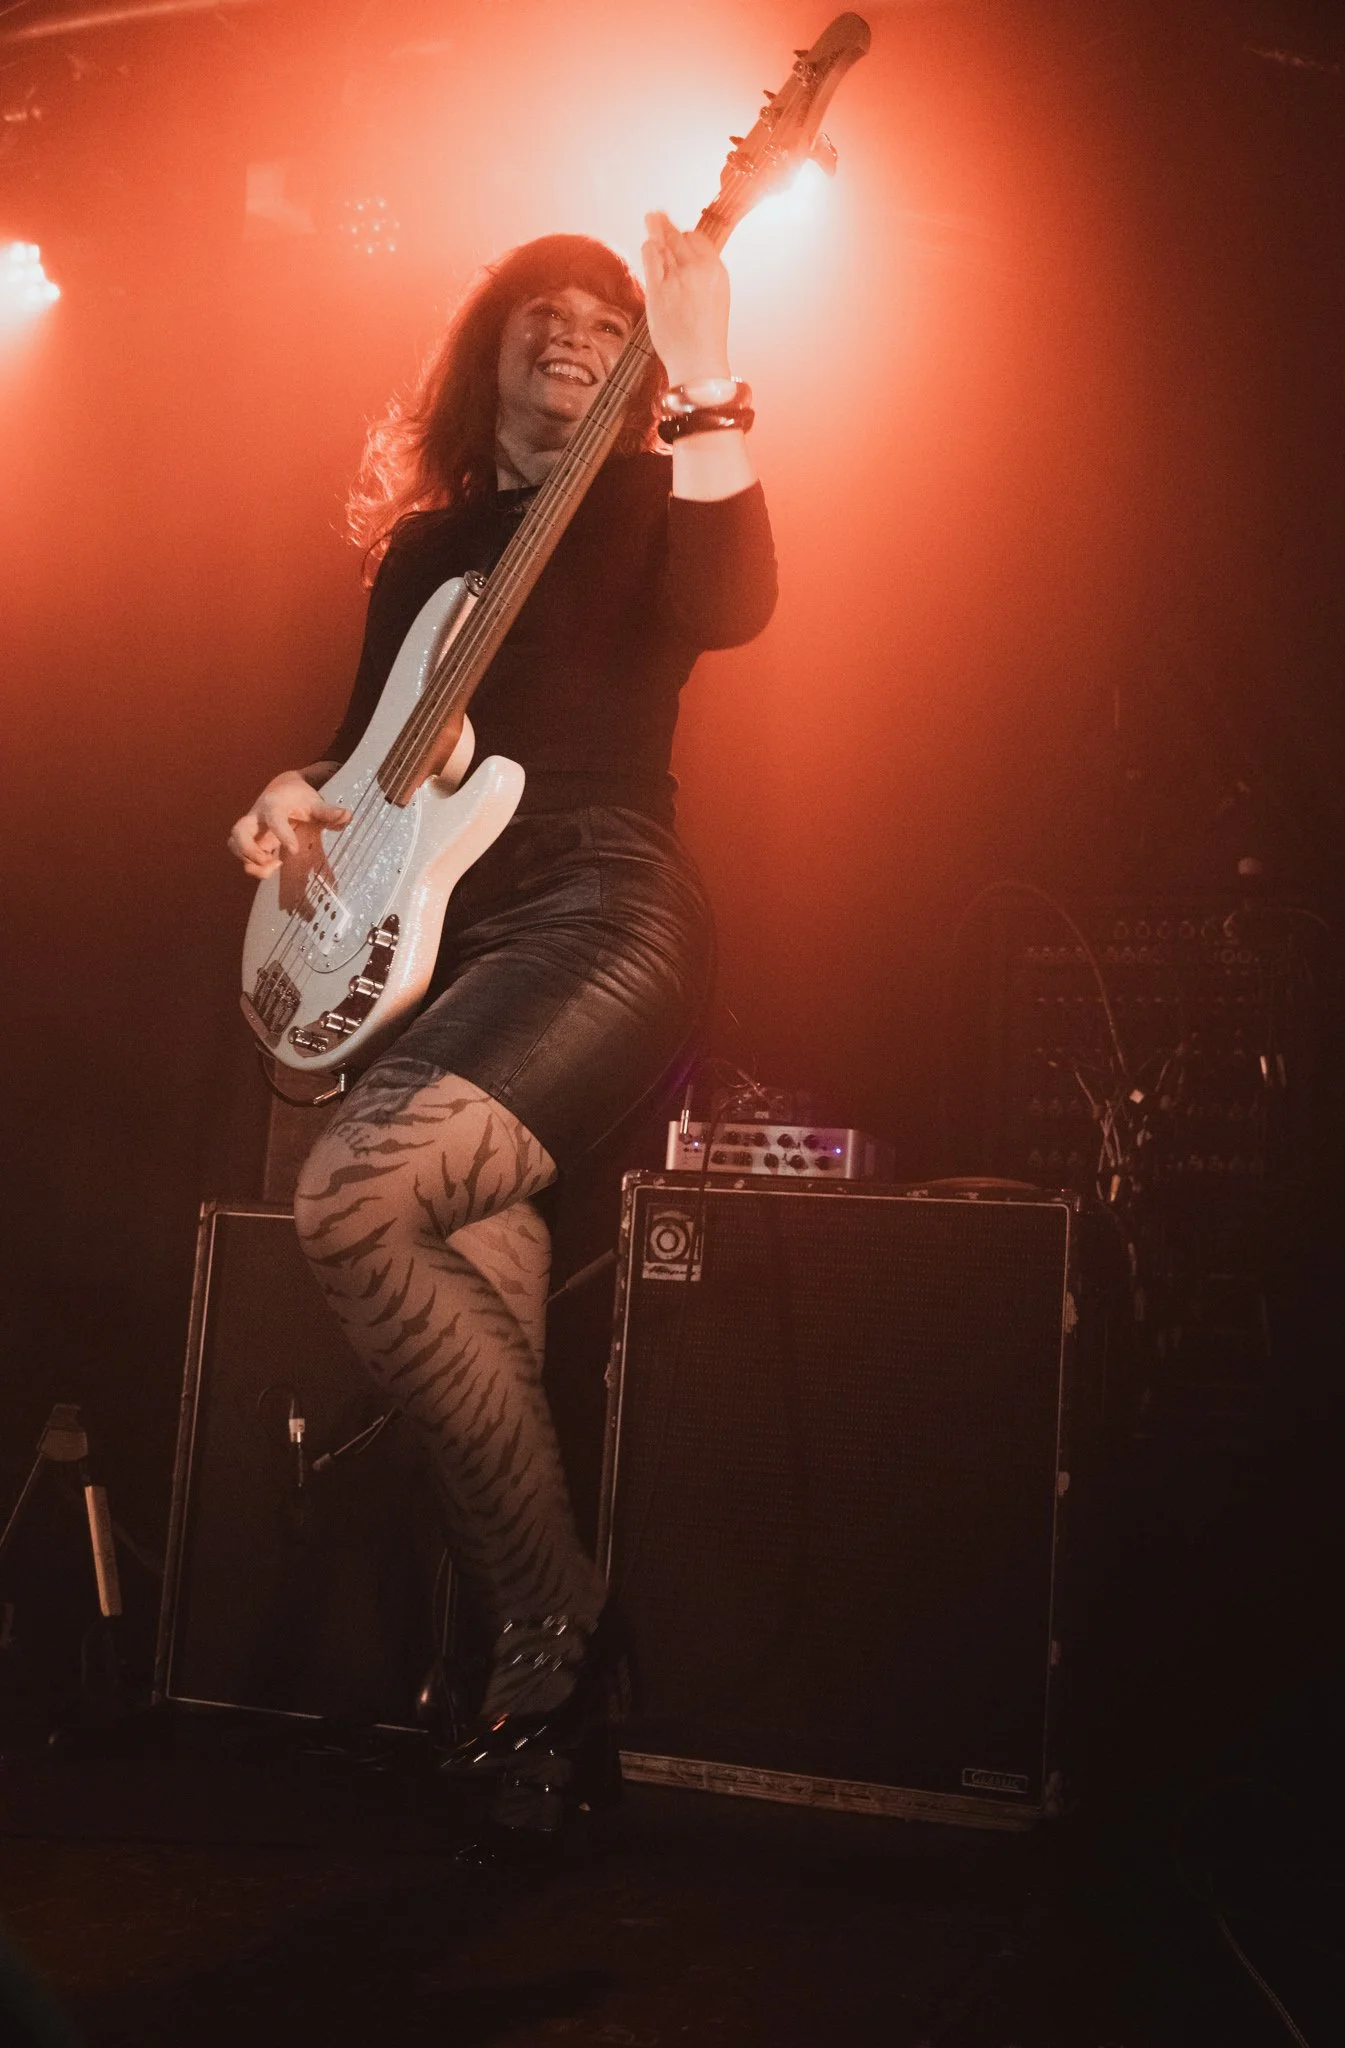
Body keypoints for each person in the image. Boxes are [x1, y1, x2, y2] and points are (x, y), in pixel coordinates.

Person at [227, 212, 777, 1822]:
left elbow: (737, 602)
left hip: (603, 904)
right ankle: (540, 1717)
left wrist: (713, 377)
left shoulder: (650, 496)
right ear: (490, 351)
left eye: (607, 315)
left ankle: (561, 1625)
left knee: (353, 1198)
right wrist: (288, 798)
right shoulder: (425, 551)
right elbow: (363, 762)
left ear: (638, 361)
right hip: (445, 945)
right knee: (491, 1315)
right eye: (541, 308)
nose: (573, 326)